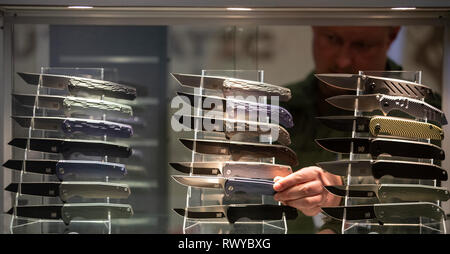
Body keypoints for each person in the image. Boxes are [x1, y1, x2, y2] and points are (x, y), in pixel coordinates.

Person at [274, 26, 404, 234]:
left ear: (393, 35)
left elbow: (408, 191)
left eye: (362, 45)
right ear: (315, 28)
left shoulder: (419, 113)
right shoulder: (282, 108)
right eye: (332, 39)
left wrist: (340, 188)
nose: (343, 61)